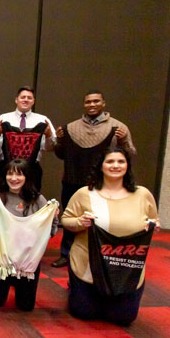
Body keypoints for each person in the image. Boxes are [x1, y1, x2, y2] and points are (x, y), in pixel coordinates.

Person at [61, 148, 159, 326]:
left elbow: (153, 218)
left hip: (125, 266)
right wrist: (79, 223)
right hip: (88, 266)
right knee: (84, 312)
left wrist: (153, 225)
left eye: (121, 162)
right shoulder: (85, 193)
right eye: (110, 161)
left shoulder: (142, 194)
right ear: (101, 166)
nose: (115, 165)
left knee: (122, 318)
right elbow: (66, 220)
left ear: (127, 166)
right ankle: (75, 288)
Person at [51, 90, 137, 268]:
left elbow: (130, 154)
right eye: (88, 102)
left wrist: (123, 142)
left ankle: (100, 254)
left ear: (103, 103)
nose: (92, 105)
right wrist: (59, 141)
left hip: (102, 184)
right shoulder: (71, 128)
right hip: (72, 180)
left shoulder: (118, 128)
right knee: (70, 218)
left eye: (96, 101)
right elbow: (61, 154)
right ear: (84, 104)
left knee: (100, 220)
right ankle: (66, 254)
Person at [0, 159, 58, 311]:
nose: (14, 178)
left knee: (25, 306)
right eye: (10, 174)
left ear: (27, 177)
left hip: (27, 260)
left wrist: (53, 216)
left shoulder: (37, 199)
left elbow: (50, 232)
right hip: (1, 260)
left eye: (19, 174)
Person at [0, 86, 55, 191]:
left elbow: (51, 148)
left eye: (29, 98)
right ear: (16, 100)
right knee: (4, 199)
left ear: (33, 101)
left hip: (32, 168)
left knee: (31, 200)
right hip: (6, 167)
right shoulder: (2, 119)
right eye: (23, 97)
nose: (26, 100)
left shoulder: (43, 120)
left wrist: (48, 135)